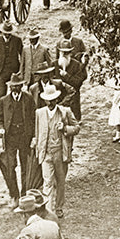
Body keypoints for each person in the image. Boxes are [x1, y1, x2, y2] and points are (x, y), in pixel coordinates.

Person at [32, 84, 81, 218]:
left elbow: (77, 127)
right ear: (45, 100)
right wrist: (37, 147)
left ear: (57, 99)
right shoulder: (39, 113)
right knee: (47, 182)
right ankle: (49, 210)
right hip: (46, 152)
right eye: (48, 100)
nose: (50, 103)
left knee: (60, 181)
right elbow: (37, 132)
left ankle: (59, 207)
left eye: (53, 100)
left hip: (60, 152)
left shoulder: (65, 112)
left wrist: (65, 128)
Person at [0, 73, 36, 206]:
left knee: (26, 167)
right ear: (10, 87)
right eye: (13, 87)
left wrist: (33, 136)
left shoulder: (28, 99)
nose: (15, 89)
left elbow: (33, 118)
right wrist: (1, 129)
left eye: (18, 86)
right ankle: (14, 195)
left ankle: (24, 195)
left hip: (24, 137)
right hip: (10, 138)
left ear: (21, 86)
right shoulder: (3, 101)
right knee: (9, 166)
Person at [55, 41, 86, 120]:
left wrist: (66, 76)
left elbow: (78, 82)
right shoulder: (54, 65)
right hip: (58, 100)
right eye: (63, 53)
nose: (65, 55)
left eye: (67, 53)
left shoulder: (76, 65)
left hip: (73, 101)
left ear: (70, 53)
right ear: (59, 53)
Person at [0, 24, 23, 98]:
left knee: (16, 93)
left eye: (9, 33)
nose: (7, 35)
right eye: (5, 33)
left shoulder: (17, 40)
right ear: (2, 32)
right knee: (2, 94)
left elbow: (22, 56)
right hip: (1, 72)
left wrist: (21, 70)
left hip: (14, 71)